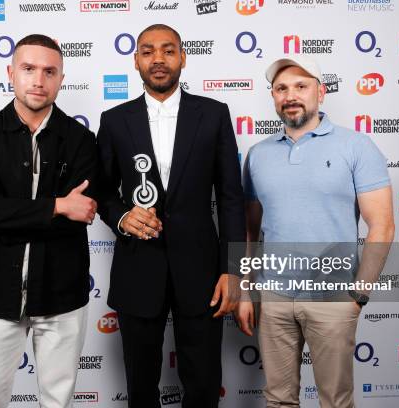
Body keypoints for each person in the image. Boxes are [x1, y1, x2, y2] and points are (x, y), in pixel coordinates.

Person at [97, 24, 245, 408]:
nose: (158, 60)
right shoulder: (114, 120)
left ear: (183, 57)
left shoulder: (213, 114)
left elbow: (230, 197)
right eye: (148, 52)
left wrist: (233, 268)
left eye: (167, 50)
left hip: (202, 271)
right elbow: (100, 190)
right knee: (140, 384)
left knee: (203, 381)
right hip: (137, 268)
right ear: (136, 61)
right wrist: (121, 217)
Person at [236, 55, 395, 408]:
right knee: (278, 399)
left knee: (335, 401)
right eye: (281, 88)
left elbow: (381, 224)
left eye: (300, 86)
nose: (290, 95)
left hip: (332, 296)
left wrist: (359, 294)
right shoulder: (258, 155)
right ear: (273, 97)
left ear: (320, 93)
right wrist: (246, 292)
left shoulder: (356, 146)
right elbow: (250, 231)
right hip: (274, 297)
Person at [0, 34, 98, 408]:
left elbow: (78, 216)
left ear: (61, 78)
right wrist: (56, 206)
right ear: (11, 73)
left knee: (57, 402)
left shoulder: (82, 140)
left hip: (61, 292)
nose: (39, 79)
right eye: (29, 69)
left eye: (49, 71)